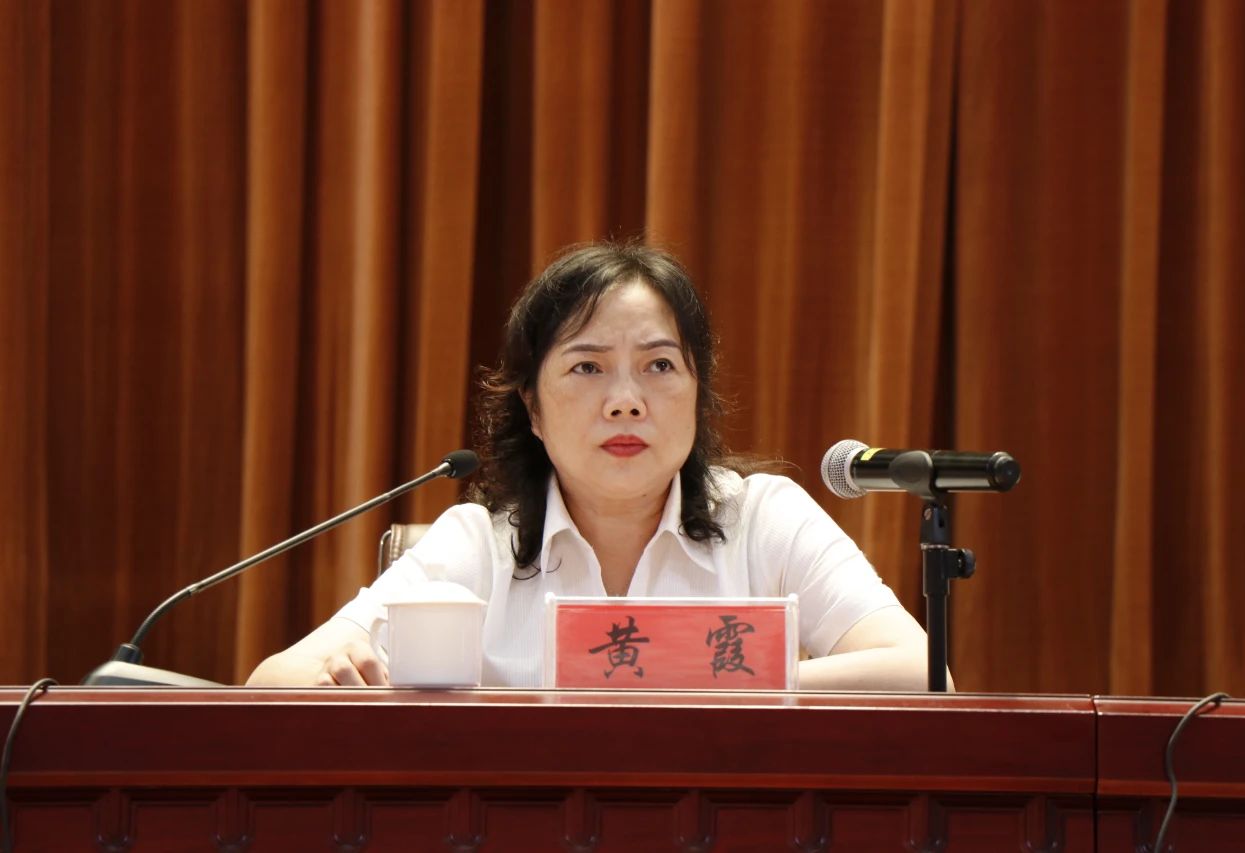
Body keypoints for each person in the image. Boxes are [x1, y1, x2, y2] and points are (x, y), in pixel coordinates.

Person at [247, 242, 945, 690]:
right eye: (587, 367)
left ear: (697, 392)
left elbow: (923, 672)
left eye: (660, 366)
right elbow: (275, 681)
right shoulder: (478, 546)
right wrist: (337, 675)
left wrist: (730, 675)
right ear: (533, 407)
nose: (625, 400)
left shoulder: (766, 518)